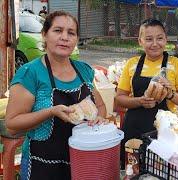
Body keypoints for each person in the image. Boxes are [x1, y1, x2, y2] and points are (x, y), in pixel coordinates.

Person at [5, 11, 107, 179]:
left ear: (76, 39)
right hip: (42, 165)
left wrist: (100, 118)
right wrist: (51, 112)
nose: (65, 37)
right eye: (58, 30)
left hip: (82, 161)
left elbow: (101, 106)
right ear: (45, 35)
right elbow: (12, 124)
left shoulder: (84, 70)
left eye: (71, 33)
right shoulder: (30, 73)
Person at [115, 18, 178, 169]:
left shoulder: (176, 64)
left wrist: (170, 94)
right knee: (132, 171)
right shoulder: (132, 64)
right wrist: (139, 101)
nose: (155, 44)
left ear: (166, 39)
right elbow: (119, 99)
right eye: (149, 39)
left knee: (159, 171)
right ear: (140, 41)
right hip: (133, 129)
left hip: (163, 133)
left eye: (160, 38)